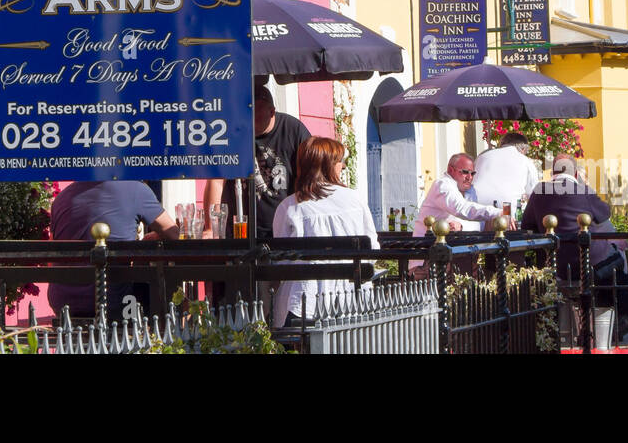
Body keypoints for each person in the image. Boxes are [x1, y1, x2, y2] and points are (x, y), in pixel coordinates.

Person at [520, 154, 628, 348]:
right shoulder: (583, 190)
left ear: (552, 172)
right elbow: (605, 214)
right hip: (589, 263)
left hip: (555, 265)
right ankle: (622, 319)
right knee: (617, 258)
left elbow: (526, 225)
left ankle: (576, 331)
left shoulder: (539, 192)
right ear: (576, 173)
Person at [271, 136, 380, 327]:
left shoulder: (289, 207)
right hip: (352, 301)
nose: (343, 166)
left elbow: (282, 262)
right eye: (339, 161)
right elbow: (372, 248)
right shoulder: (354, 199)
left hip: (305, 303)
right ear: (328, 165)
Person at [46, 180, 179, 322]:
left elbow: (52, 254)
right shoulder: (136, 189)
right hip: (115, 300)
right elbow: (173, 233)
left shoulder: (62, 198)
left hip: (63, 302)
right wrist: (150, 240)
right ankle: (165, 334)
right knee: (155, 286)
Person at [205, 81, 311, 241]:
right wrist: (211, 227)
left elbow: (309, 176)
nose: (251, 120)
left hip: (284, 230)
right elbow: (216, 181)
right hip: (240, 230)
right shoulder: (233, 130)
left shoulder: (292, 130)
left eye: (257, 114)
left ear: (272, 112)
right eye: (247, 113)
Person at [412, 153, 503, 237]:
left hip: (444, 248)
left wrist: (462, 226)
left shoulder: (470, 191)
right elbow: (462, 208)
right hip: (425, 247)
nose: (469, 177)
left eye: (472, 173)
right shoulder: (442, 185)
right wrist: (498, 212)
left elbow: (480, 224)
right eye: (465, 172)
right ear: (450, 170)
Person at [472, 132, 541, 215]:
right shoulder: (526, 161)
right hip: (506, 212)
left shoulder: (482, 156)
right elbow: (534, 196)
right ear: (523, 149)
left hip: (476, 209)